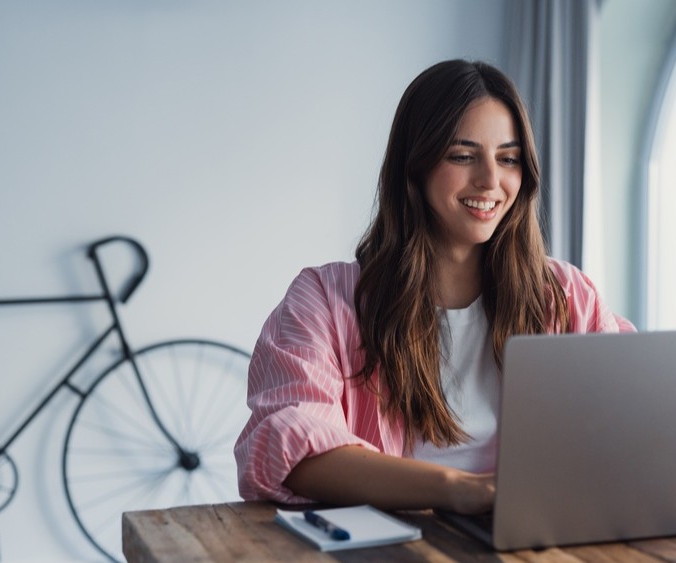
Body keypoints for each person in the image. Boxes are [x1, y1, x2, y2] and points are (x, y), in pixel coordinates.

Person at [234, 59, 634, 515]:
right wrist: (462, 489)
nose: (490, 180)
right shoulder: (325, 301)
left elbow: (634, 410)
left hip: (532, 537)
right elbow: (288, 443)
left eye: (508, 159)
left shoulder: (565, 296)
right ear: (416, 164)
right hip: (394, 543)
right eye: (462, 156)